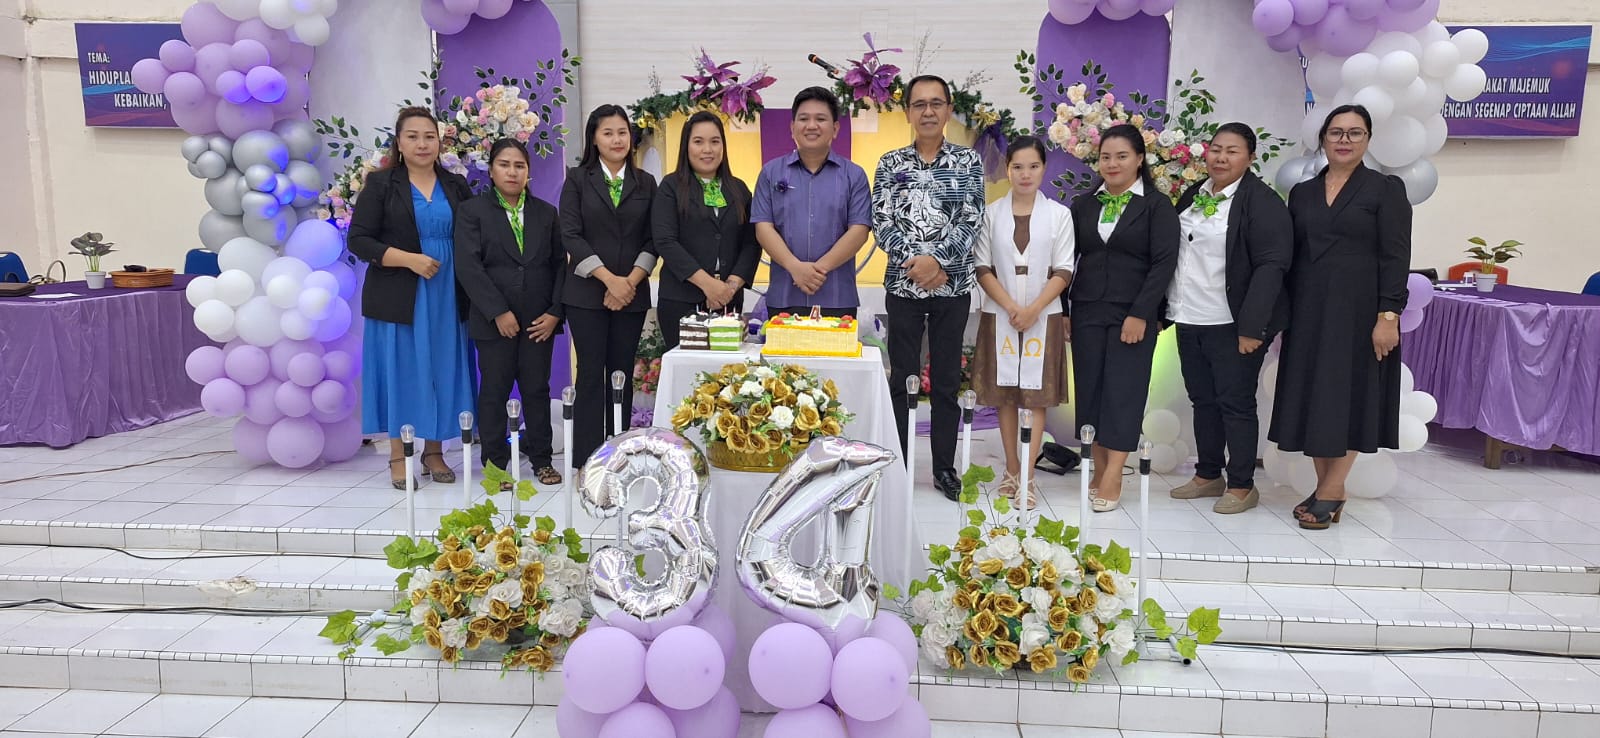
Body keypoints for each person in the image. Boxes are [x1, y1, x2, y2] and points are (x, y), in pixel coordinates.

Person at [1271, 104, 1411, 530]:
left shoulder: (1385, 190)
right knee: (1315, 397)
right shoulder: (1303, 193)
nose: (1344, 140)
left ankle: (1332, 489)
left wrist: (1389, 315)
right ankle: (1327, 489)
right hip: (1309, 311)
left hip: (1360, 312)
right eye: (1336, 132)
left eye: (1354, 132)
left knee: (1349, 397)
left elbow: (1396, 256)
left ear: (1368, 139)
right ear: (1323, 139)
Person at [1166, 123, 1292, 515]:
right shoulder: (1195, 194)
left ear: (1250, 158)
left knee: (1235, 403)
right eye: (1216, 149)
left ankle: (1241, 484)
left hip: (1234, 323)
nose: (1221, 157)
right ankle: (1208, 473)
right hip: (1191, 315)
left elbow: (1272, 266)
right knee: (1202, 400)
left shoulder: (1262, 202)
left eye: (1232, 151)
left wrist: (1252, 327)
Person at [348, 106, 476, 490]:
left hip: (449, 292)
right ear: (399, 143)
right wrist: (409, 260)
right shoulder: (381, 185)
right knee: (401, 371)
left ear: (440, 142)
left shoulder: (456, 185)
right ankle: (398, 455)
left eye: (429, 136)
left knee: (443, 368)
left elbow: (475, 234)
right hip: (400, 294)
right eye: (413, 136)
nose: (422, 144)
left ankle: (434, 451)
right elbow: (359, 240)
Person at [874, 74, 986, 501]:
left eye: (935, 103)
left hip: (951, 287)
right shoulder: (890, 164)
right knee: (902, 378)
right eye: (919, 104)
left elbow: (971, 218)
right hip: (903, 288)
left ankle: (943, 468)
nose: (927, 111)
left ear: (948, 110)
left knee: (944, 382)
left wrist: (938, 263)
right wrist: (916, 265)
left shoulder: (968, 162)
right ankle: (899, 464)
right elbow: (881, 222)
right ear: (908, 112)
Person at [1068, 123, 1179, 512]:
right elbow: (1067, 260)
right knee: (1091, 392)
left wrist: (1141, 313)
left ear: (1139, 159)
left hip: (1132, 314)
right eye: (1105, 157)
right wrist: (1065, 310)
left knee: (1123, 393)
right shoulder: (1084, 204)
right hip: (1086, 310)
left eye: (1121, 156)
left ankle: (1114, 475)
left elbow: (1164, 264)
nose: (1112, 164)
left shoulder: (1156, 206)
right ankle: (1099, 468)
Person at [454, 138, 565, 488]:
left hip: (538, 322)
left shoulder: (546, 213)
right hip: (493, 322)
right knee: (494, 391)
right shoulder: (472, 212)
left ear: (528, 172)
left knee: (536, 390)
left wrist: (555, 313)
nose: (512, 172)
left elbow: (559, 265)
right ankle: (495, 467)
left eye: (519, 165)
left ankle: (542, 460)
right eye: (504, 165)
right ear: (491, 170)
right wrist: (498, 311)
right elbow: (468, 266)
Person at [971, 136, 1074, 510]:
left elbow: (1064, 269)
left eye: (1033, 166)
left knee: (1036, 395)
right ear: (1007, 169)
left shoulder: (1059, 215)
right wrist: (1012, 306)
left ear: (1044, 169)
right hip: (1000, 313)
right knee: (1005, 395)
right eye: (1017, 167)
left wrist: (1033, 309)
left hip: (1044, 315)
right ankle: (1011, 468)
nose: (1025, 174)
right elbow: (982, 266)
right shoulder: (991, 214)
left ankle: (1028, 476)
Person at [560, 104, 657, 469]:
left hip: (631, 294)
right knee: (589, 373)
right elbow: (570, 234)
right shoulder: (577, 179)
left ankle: (619, 451)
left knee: (621, 373)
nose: (617, 140)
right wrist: (609, 280)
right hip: (586, 294)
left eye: (622, 132)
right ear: (594, 139)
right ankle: (586, 458)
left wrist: (628, 282)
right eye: (608, 133)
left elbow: (654, 238)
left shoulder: (646, 183)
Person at [752, 87, 872, 318]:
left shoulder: (854, 175)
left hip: (837, 297)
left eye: (820, 119)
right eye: (804, 118)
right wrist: (795, 268)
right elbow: (763, 227)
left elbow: (859, 230)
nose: (811, 125)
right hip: (785, 295)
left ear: (835, 129)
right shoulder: (770, 172)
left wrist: (817, 271)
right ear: (792, 128)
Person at [653, 111, 759, 347]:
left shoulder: (739, 189)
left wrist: (729, 287)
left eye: (715, 141)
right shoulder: (670, 187)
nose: (707, 150)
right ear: (686, 146)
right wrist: (709, 285)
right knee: (686, 369)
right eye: (698, 142)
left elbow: (751, 242)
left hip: (729, 300)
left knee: (726, 369)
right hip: (680, 299)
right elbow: (665, 241)